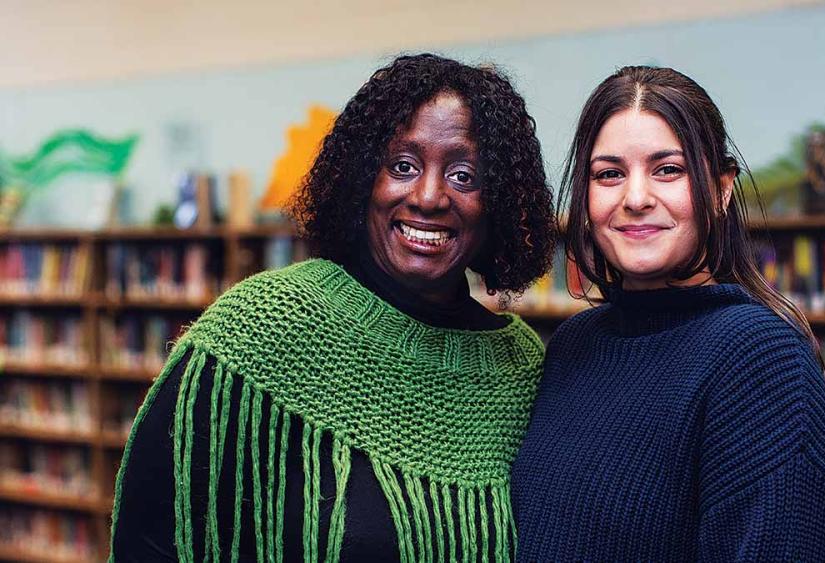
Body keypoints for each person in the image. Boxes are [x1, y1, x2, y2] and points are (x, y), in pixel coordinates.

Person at [110, 53, 557, 563]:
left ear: (498, 201)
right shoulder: (264, 325)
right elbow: (148, 540)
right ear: (361, 179)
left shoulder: (518, 365)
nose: (429, 197)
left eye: (463, 175)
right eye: (403, 166)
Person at [511, 66, 825, 561]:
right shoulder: (573, 344)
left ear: (720, 188)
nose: (636, 198)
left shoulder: (763, 365)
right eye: (609, 174)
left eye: (668, 169)